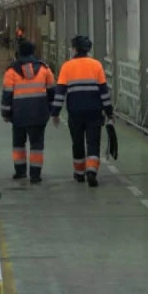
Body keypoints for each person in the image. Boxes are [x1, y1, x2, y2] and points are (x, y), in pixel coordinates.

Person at [50, 36, 114, 187]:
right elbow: (104, 93)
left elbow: (60, 93)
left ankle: (79, 174)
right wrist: (109, 113)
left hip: (75, 112)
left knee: (77, 142)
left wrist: (55, 113)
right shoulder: (96, 65)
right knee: (93, 143)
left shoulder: (67, 67)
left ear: (74, 49)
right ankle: (91, 171)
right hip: (94, 112)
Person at [1, 41, 56, 184]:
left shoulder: (11, 71)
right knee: (37, 145)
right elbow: (52, 92)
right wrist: (51, 110)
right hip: (39, 114)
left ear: (18, 53)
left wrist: (6, 114)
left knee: (18, 144)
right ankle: (35, 175)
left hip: (18, 115)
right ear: (33, 52)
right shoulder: (44, 69)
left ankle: (20, 172)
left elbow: (7, 95)